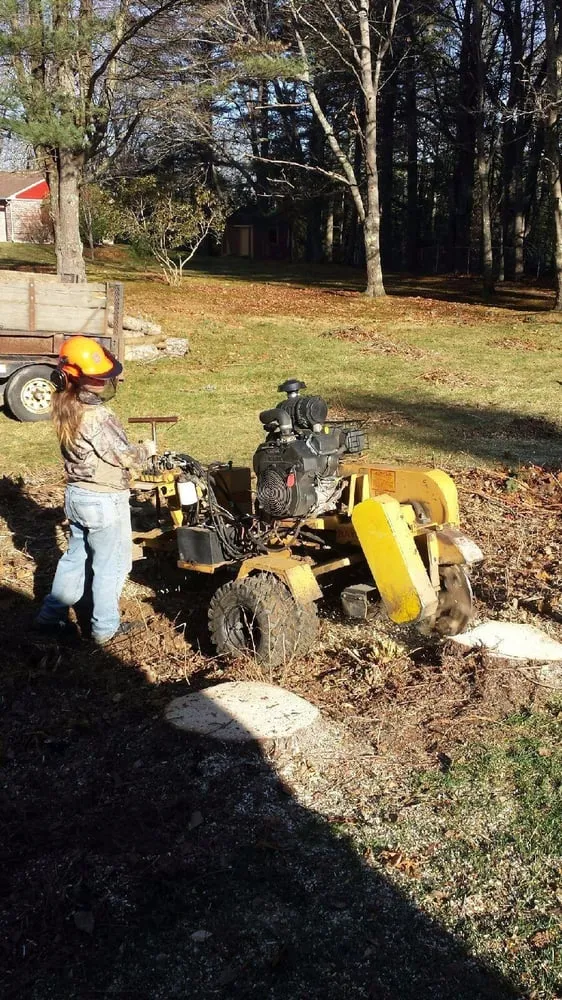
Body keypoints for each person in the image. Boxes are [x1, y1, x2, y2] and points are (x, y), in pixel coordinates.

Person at [34, 336, 156, 645]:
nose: (103, 382)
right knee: (112, 565)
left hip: (77, 496)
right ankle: (105, 630)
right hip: (104, 500)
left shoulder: (65, 406)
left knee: (75, 559)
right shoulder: (98, 417)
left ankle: (50, 617)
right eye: (97, 378)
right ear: (77, 379)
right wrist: (147, 450)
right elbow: (124, 457)